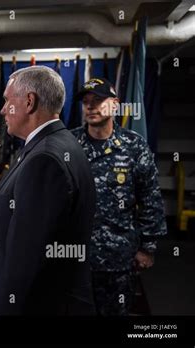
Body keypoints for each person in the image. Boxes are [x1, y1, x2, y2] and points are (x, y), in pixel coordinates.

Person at [0, 66, 96, 315]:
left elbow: (27, 263)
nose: (2, 111)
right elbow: (30, 239)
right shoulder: (57, 144)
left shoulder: (44, 159)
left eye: (7, 101)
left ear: (29, 101)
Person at [71, 78, 167, 316]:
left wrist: (148, 247)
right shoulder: (69, 144)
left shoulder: (134, 146)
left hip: (118, 259)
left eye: (97, 101)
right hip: (74, 258)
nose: (90, 107)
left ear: (114, 105)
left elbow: (150, 199)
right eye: (86, 102)